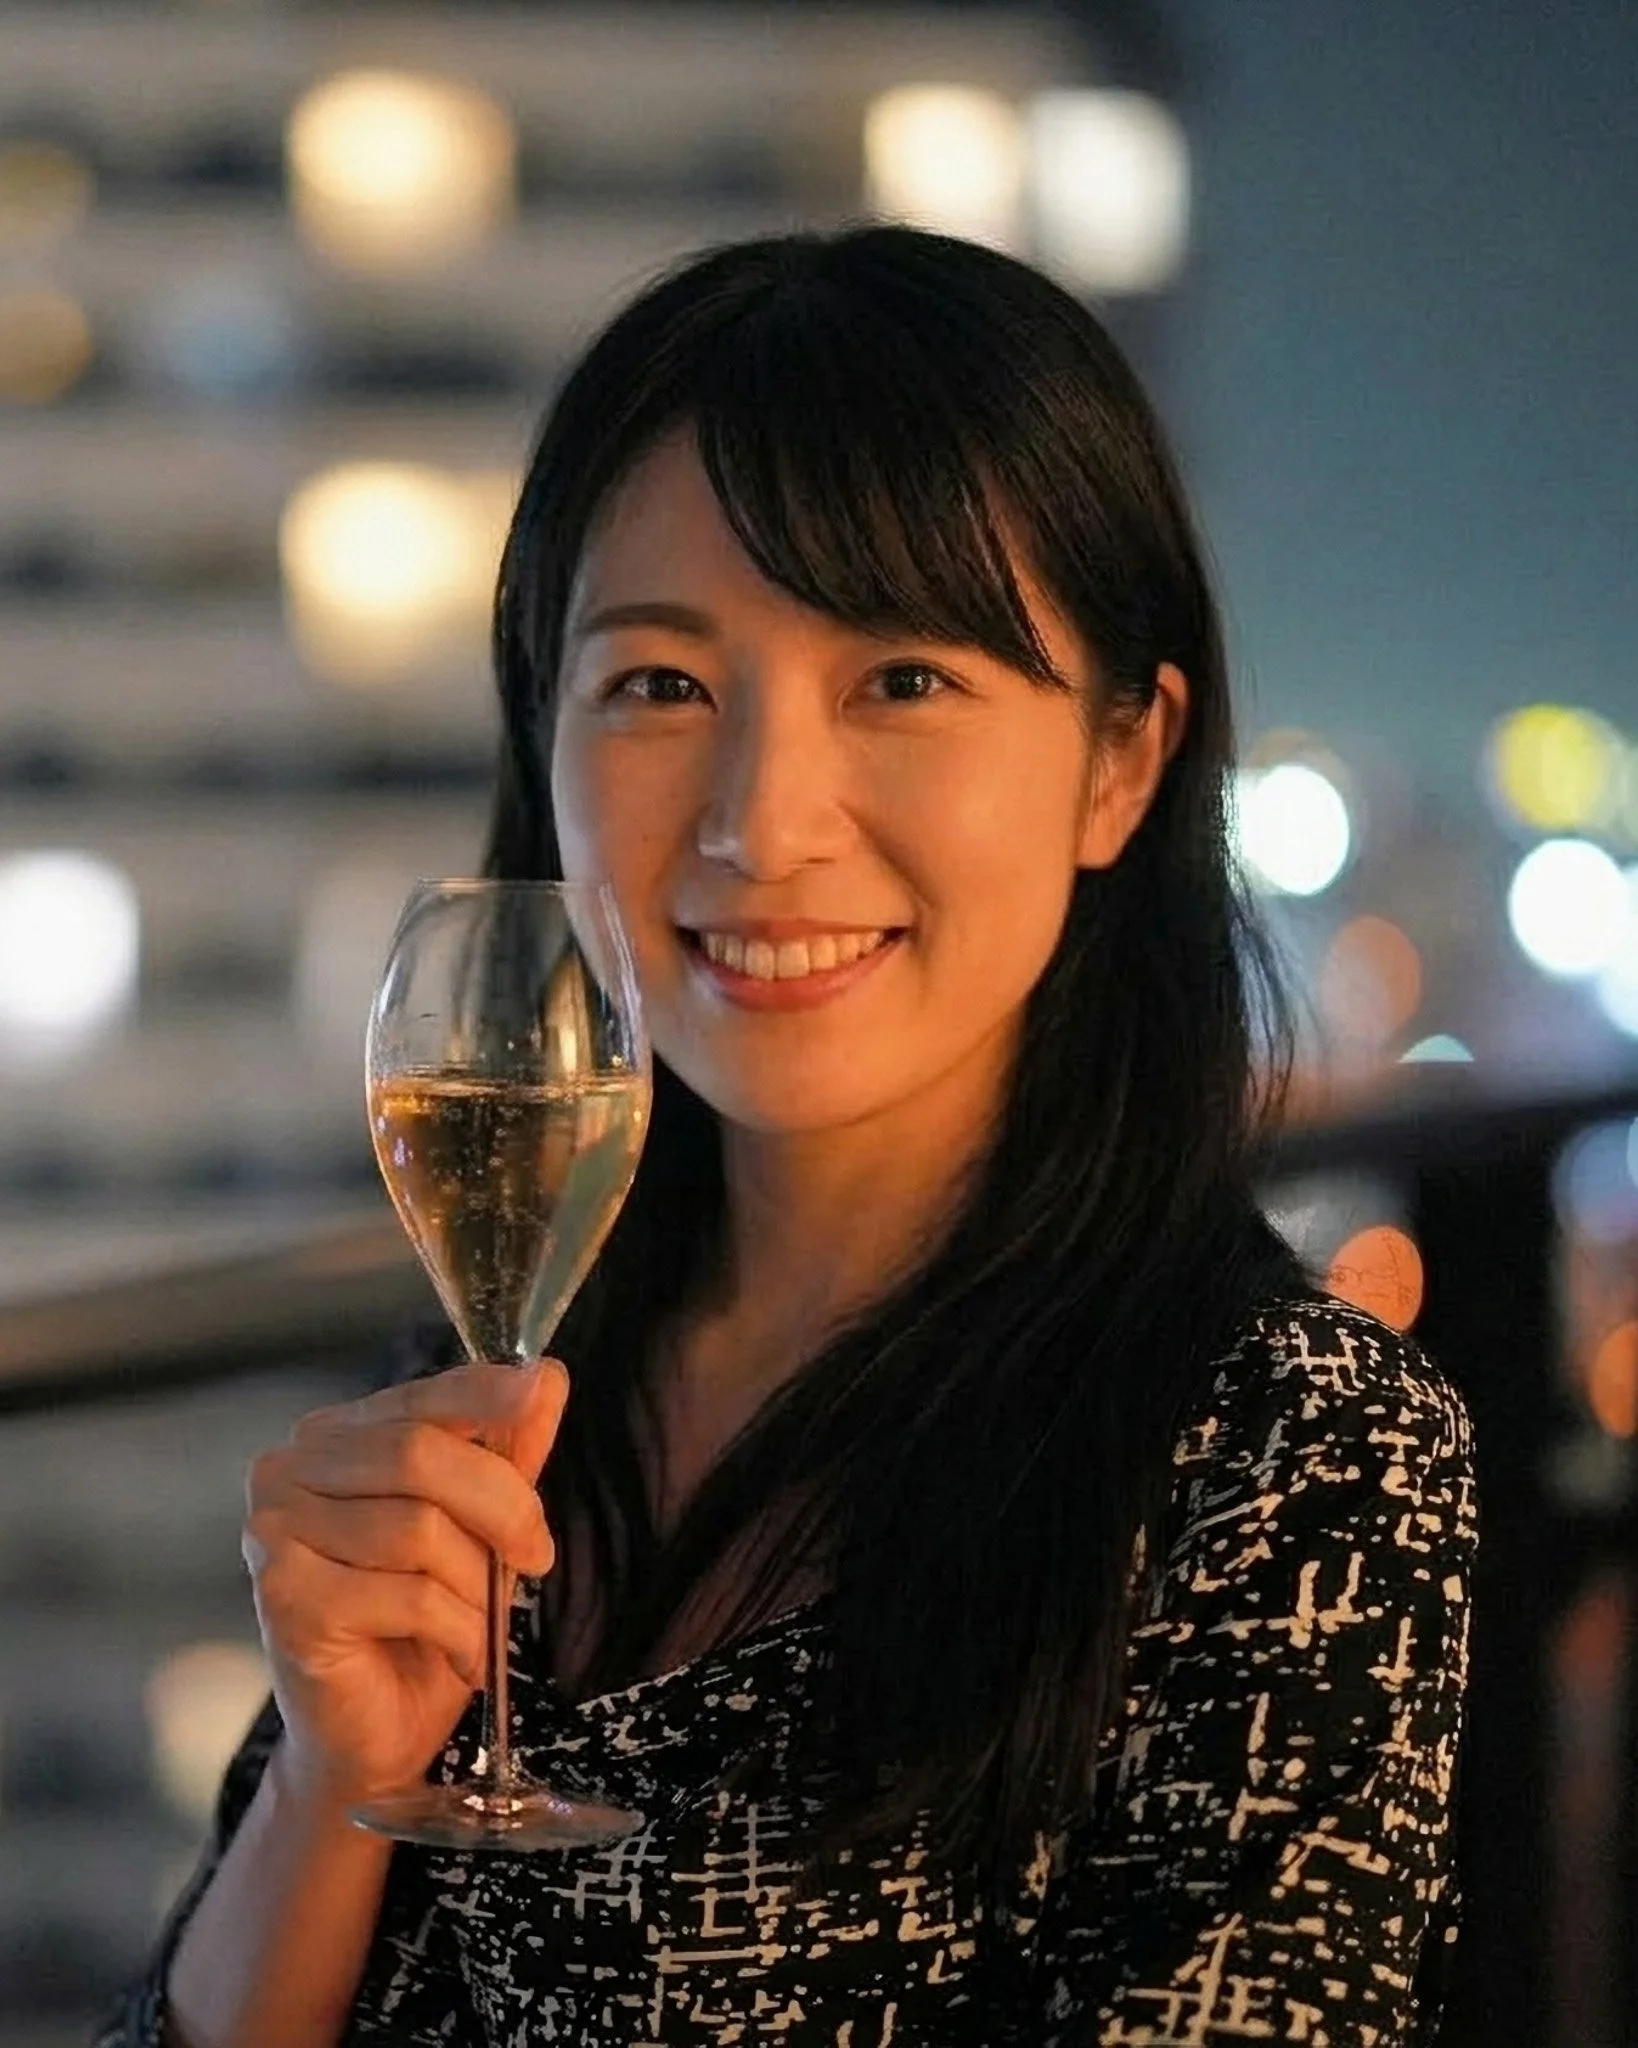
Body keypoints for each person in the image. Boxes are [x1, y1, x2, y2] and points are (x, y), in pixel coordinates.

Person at [101, 224, 1476, 2047]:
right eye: (661, 685)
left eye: (902, 678)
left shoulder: (1294, 1466)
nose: (761, 821)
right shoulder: (503, 1380)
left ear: (1120, 764)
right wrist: (327, 1786)